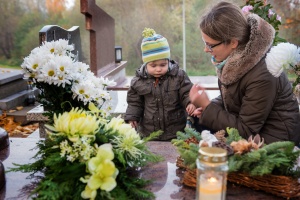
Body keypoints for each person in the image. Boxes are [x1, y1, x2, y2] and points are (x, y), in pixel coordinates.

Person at [189, 1, 300, 145]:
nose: (206, 50)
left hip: (275, 144)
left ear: (233, 42)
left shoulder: (263, 73)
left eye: (210, 45)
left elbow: (246, 131)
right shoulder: (235, 60)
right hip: (254, 136)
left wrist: (209, 108)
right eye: (205, 43)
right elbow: (233, 99)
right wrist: (206, 106)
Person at [125, 28, 196, 141]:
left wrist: (190, 102)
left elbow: (187, 92)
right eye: (153, 66)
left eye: (163, 65)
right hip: (150, 132)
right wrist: (132, 117)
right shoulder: (138, 81)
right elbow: (135, 103)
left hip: (176, 130)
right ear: (146, 64)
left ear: (168, 61)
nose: (158, 69)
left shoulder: (178, 76)